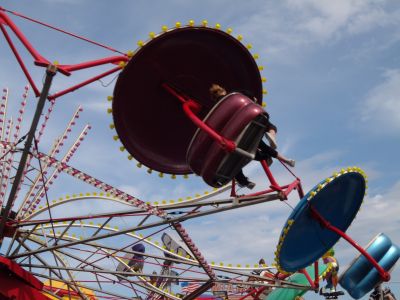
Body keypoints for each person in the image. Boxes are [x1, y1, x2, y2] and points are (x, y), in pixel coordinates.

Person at [209, 84, 295, 189]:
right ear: (224, 90)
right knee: (261, 144)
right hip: (246, 128)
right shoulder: (234, 96)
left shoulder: (217, 109)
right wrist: (253, 101)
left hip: (232, 136)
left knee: (236, 159)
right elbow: (250, 96)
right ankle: (274, 139)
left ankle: (245, 182)